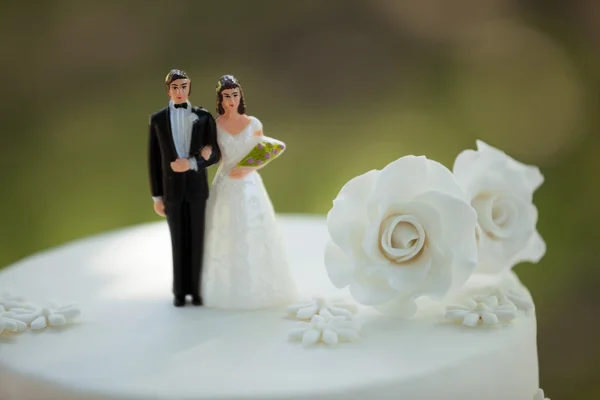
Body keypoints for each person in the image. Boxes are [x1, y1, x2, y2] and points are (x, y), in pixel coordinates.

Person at [201, 75, 297, 309]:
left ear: (240, 96)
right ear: (220, 99)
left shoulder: (253, 123)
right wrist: (204, 152)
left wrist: (247, 168)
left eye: (235, 95)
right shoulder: (215, 125)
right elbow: (214, 153)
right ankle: (224, 286)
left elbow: (263, 150)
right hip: (225, 182)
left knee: (252, 227)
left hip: (248, 183)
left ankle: (259, 286)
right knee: (227, 228)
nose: (231, 100)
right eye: (226, 96)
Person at [148, 69, 220, 307]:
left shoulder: (203, 117)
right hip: (172, 192)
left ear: (189, 88)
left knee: (198, 238)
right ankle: (180, 291)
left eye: (184, 86)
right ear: (168, 90)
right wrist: (157, 196)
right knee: (178, 240)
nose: (179, 92)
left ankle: (197, 290)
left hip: (197, 188)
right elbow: (153, 160)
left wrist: (192, 163)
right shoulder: (157, 119)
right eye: (175, 87)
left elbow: (215, 154)